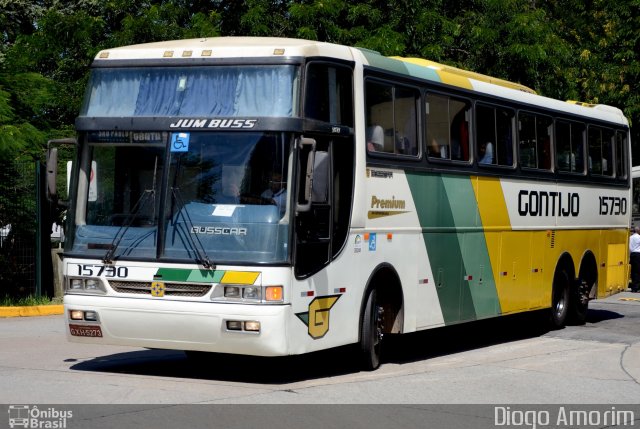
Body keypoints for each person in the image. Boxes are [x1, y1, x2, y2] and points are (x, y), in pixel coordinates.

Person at [630, 226, 640, 292]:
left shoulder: (630, 237)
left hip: (632, 255)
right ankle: (637, 287)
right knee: (638, 271)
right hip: (638, 254)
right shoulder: (639, 237)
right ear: (638, 231)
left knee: (633, 271)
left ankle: (633, 287)